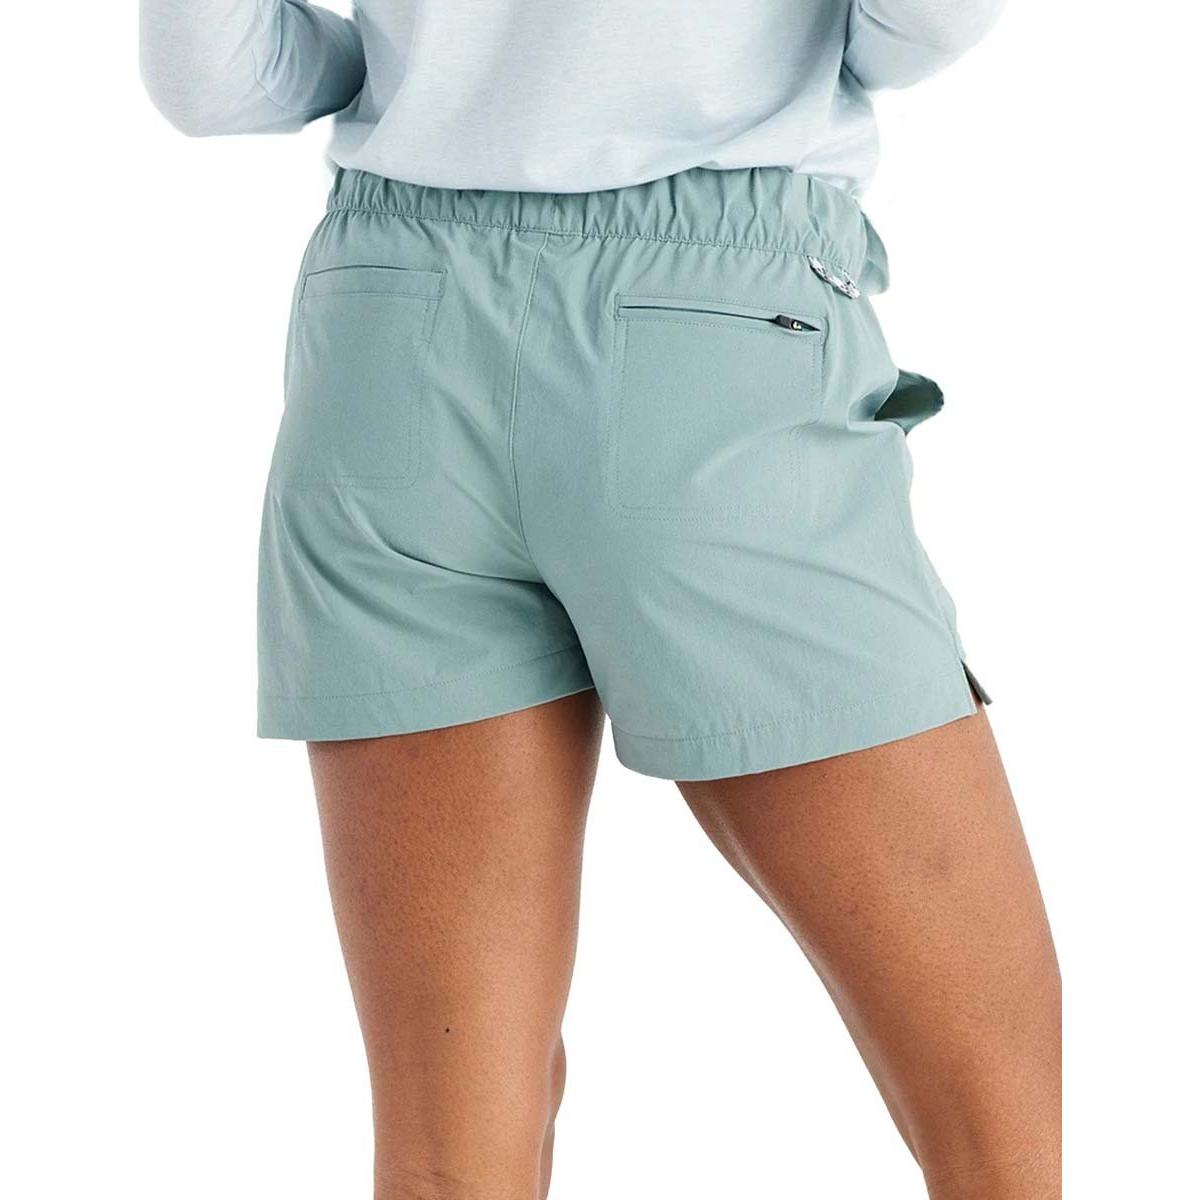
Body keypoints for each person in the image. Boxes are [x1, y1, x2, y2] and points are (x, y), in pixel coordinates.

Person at [140, 2, 1061, 1197]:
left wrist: (428, 72)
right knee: (995, 1124)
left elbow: (212, 77)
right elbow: (921, 26)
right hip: (708, 338)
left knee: (448, 1153)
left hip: (387, 340)